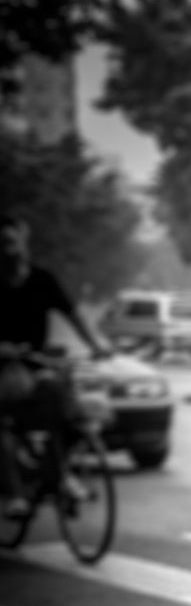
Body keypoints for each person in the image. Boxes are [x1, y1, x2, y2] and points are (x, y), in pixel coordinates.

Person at [2, 213, 106, 518]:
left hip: (36, 364)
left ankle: (60, 475)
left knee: (62, 405)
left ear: (24, 241)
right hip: (5, 370)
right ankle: (16, 494)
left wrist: (95, 345)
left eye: (12, 241)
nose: (9, 249)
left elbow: (73, 315)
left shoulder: (42, 280)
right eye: (3, 244)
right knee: (4, 432)